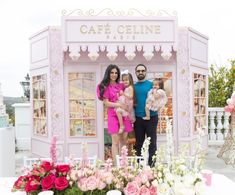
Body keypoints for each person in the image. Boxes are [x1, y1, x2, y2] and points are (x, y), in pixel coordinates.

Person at [97, 64, 133, 164]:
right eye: (112, 72)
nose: (114, 74)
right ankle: (116, 166)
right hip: (113, 115)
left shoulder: (121, 85)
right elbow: (106, 103)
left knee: (124, 140)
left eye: (116, 73)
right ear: (108, 73)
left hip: (124, 114)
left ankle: (124, 164)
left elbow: (130, 91)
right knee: (115, 141)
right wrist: (119, 104)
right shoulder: (105, 87)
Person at [134, 64, 158, 166]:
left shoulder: (151, 85)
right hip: (138, 119)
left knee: (152, 143)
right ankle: (140, 166)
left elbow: (159, 97)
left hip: (152, 118)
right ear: (135, 73)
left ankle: (152, 166)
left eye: (142, 70)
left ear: (146, 72)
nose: (140, 72)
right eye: (138, 71)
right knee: (139, 143)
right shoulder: (133, 87)